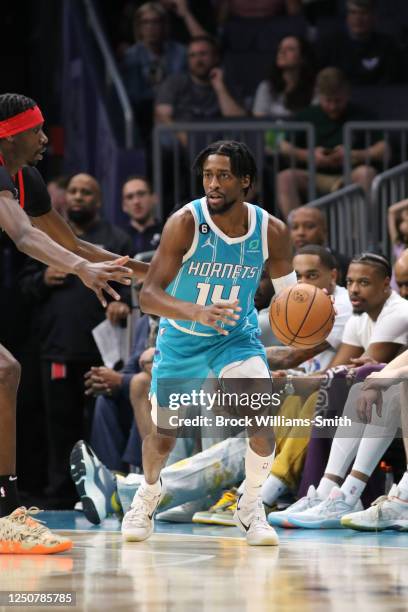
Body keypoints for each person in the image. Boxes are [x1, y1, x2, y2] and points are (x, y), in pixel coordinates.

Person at [121, 139, 295, 546]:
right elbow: (149, 295)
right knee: (164, 436)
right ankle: (147, 496)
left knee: (262, 423)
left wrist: (312, 315)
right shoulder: (185, 222)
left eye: (223, 176)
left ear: (245, 181)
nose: (213, 184)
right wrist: (196, 312)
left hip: (236, 337)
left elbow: (290, 302)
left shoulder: (272, 231)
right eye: (207, 176)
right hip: (182, 339)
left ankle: (251, 508)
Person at [0, 93, 147, 554]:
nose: (45, 138)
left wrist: (154, 271)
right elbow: (24, 236)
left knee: (5, 372)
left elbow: (75, 244)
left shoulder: (28, 180)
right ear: (9, 135)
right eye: (36, 130)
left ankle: (7, 512)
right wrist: (82, 271)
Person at [19, 173, 133, 508]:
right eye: (73, 190)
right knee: (59, 427)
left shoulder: (116, 238)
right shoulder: (42, 237)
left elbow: (125, 288)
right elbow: (23, 288)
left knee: (99, 424)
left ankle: (102, 493)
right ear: (64, 197)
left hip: (103, 353)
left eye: (87, 192)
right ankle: (60, 496)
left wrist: (120, 304)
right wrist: (44, 277)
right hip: (57, 350)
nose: (79, 196)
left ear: (99, 200)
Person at [277, 67, 387, 217]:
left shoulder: (363, 115)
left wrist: (353, 154)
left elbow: (384, 149)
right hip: (314, 175)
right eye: (328, 101)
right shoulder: (307, 115)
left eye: (338, 101)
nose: (333, 106)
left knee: (367, 174)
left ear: (347, 94)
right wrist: (310, 155)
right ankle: (296, 233)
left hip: (350, 174)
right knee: (285, 178)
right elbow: (282, 146)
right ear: (319, 96)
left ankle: (358, 236)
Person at [316, 0, 403, 86]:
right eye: (353, 12)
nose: (358, 18)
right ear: (347, 17)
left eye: (364, 13)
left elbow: (392, 82)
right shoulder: (329, 45)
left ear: (373, 16)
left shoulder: (388, 46)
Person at [253, 35, 316, 119]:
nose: (282, 52)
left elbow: (315, 120)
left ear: (302, 57)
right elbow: (259, 122)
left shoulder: (314, 88)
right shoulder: (266, 87)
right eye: (280, 48)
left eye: (290, 49)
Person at [288, 206, 350, 285]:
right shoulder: (285, 265)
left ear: (324, 231)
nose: (300, 233)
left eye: (309, 226)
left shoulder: (345, 264)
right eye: (295, 227)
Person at [121, 175, 162, 256]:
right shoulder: (117, 238)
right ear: (124, 206)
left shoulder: (167, 234)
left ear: (154, 198)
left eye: (141, 194)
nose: (136, 201)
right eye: (130, 197)